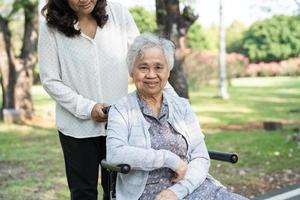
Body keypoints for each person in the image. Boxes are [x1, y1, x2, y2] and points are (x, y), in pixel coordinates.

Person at [106, 33, 249, 200]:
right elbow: (115, 154)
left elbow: (200, 156)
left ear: (168, 71)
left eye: (158, 67)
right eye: (143, 67)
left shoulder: (182, 106)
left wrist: (179, 190)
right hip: (150, 194)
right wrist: (169, 159)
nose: (151, 74)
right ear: (132, 72)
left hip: (192, 188)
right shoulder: (121, 109)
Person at [38, 0, 140, 199]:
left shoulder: (118, 12)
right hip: (76, 129)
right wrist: (88, 108)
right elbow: (50, 80)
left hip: (119, 125)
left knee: (119, 193)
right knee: (83, 193)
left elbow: (141, 58)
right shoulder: (50, 26)